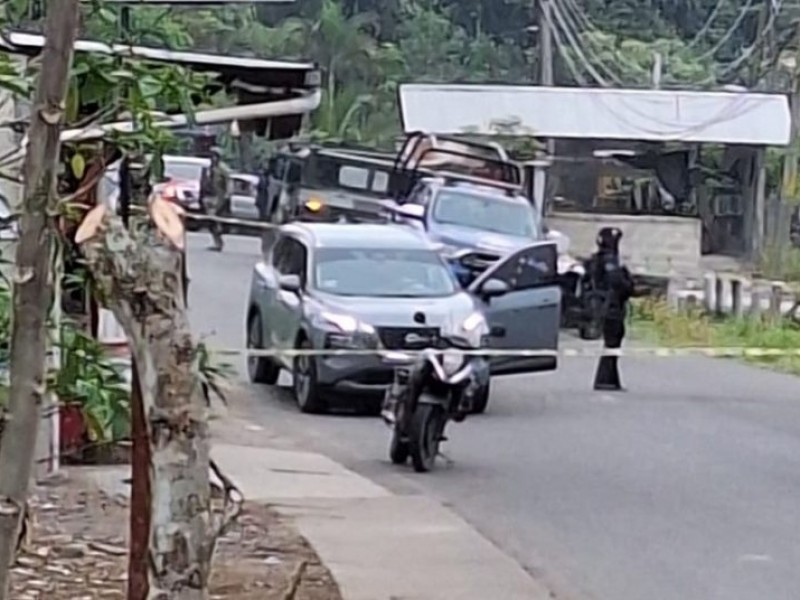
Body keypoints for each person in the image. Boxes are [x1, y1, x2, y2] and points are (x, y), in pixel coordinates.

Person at [590, 227, 634, 391]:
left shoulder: (602, 258)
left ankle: (611, 379)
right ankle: (604, 380)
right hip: (611, 307)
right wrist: (628, 280)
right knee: (612, 345)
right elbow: (618, 283)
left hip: (609, 305)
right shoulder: (608, 260)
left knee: (613, 346)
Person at [201, 147, 231, 251]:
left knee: (215, 219)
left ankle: (219, 243)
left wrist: (227, 195)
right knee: (211, 221)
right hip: (210, 195)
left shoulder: (223, 168)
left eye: (214, 156)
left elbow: (229, 182)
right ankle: (216, 242)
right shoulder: (210, 168)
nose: (212, 158)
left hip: (219, 197)